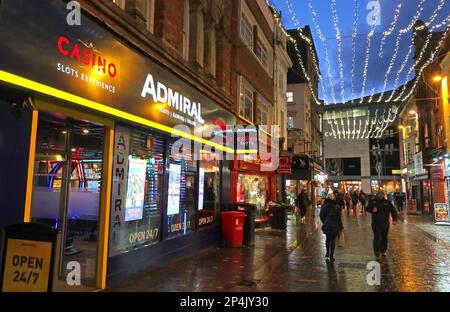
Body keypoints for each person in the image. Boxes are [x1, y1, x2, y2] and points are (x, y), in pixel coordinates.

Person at [365, 190, 398, 258]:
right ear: (377, 194)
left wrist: (394, 219)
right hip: (376, 223)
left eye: (381, 194)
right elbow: (367, 208)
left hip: (385, 223)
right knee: (377, 236)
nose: (380, 195)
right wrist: (372, 210)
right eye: (379, 194)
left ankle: (383, 250)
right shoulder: (373, 201)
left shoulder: (387, 202)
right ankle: (377, 251)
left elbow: (393, 211)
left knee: (384, 237)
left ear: (383, 195)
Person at [320, 193, 344, 262]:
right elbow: (339, 218)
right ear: (333, 198)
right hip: (335, 225)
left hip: (327, 225)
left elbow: (321, 215)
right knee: (333, 240)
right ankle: (331, 256)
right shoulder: (337, 206)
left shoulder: (324, 206)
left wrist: (324, 222)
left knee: (328, 239)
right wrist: (341, 226)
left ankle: (327, 253)